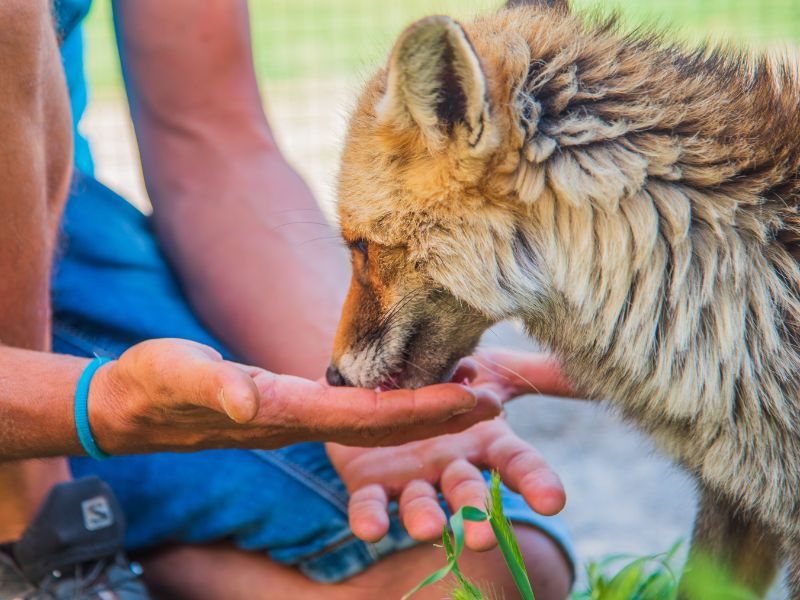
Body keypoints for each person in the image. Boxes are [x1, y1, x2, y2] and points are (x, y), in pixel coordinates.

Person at [0, 1, 575, 598]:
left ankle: (144, 549)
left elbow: (208, 136)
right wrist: (99, 408)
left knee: (488, 573)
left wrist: (354, 409)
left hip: (51, 227)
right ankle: (33, 542)